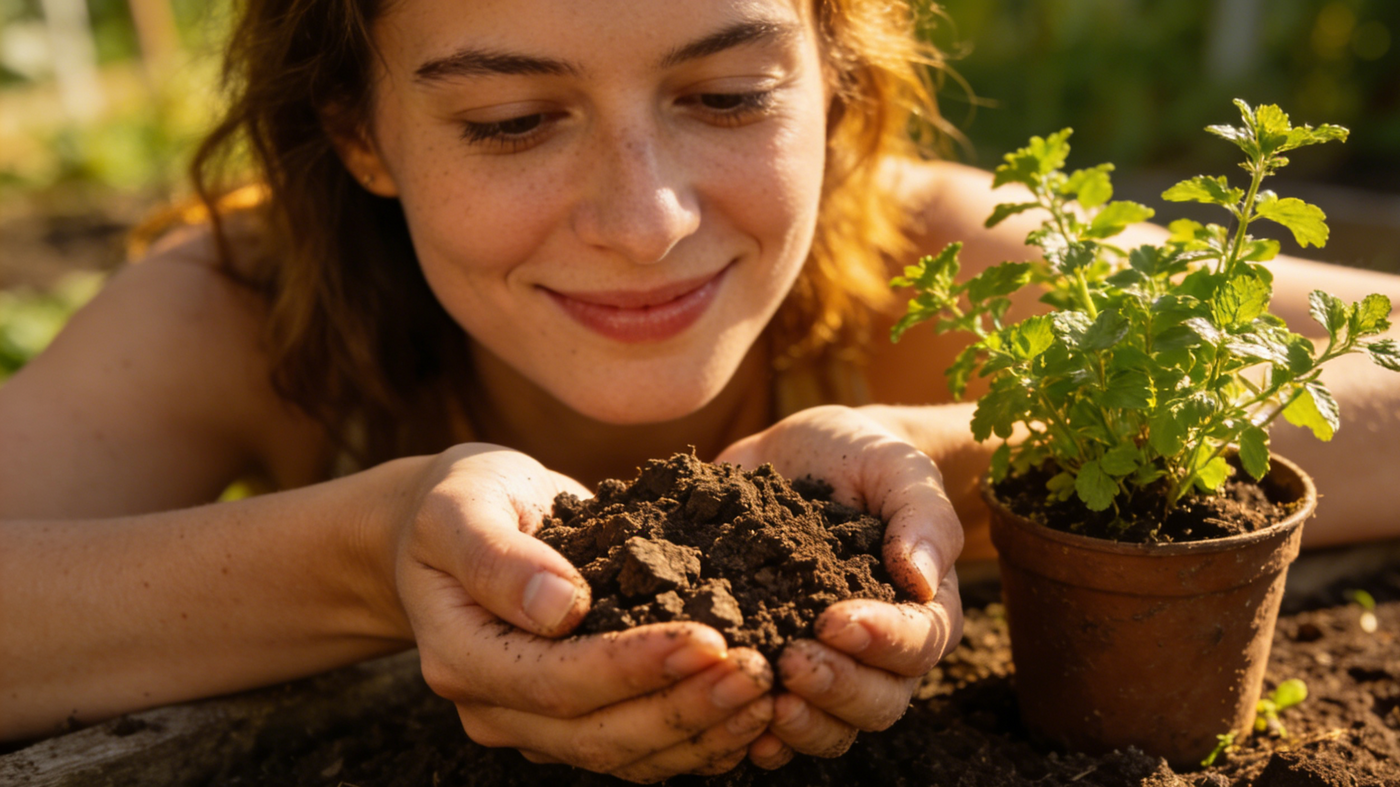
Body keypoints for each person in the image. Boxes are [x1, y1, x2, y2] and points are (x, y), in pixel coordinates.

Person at [1, 0, 1396, 781]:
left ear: (834, 82)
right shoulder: (239, 306)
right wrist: (377, 549)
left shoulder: (937, 264)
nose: (646, 218)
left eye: (727, 96)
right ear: (360, 132)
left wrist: (972, 467)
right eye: (509, 121)